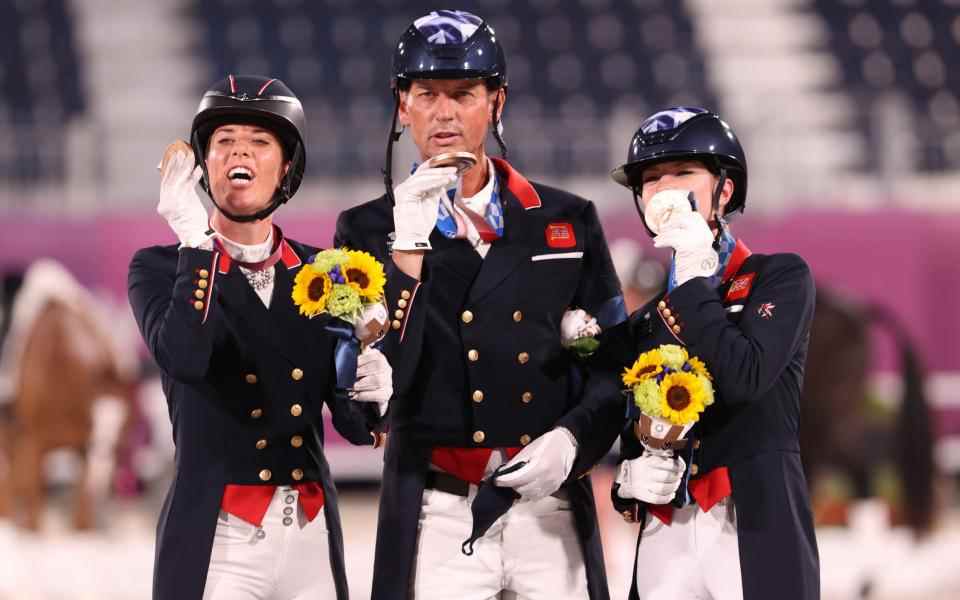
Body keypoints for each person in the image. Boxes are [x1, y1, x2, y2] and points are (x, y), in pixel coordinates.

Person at [334, 10, 626, 600]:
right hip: (434, 515)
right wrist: (406, 253)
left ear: (496, 102)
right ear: (402, 106)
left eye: (463, 94)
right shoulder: (365, 231)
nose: (444, 113)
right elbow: (355, 405)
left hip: (551, 508)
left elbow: (616, 368)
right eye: (427, 94)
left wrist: (574, 439)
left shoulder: (568, 220)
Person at [128, 75, 392, 600]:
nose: (238, 152)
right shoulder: (158, 268)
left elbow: (354, 425)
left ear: (285, 166)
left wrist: (376, 394)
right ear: (205, 164)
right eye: (224, 141)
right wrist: (197, 247)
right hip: (218, 536)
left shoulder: (327, 272)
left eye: (258, 141)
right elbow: (185, 355)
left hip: (310, 532)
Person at [597, 107, 819, 600]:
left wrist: (696, 278)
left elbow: (743, 376)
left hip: (753, 521)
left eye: (682, 172)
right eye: (651, 179)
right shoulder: (648, 317)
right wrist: (628, 481)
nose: (665, 189)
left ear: (726, 189)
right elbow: (632, 416)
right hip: (665, 535)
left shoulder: (779, 278)